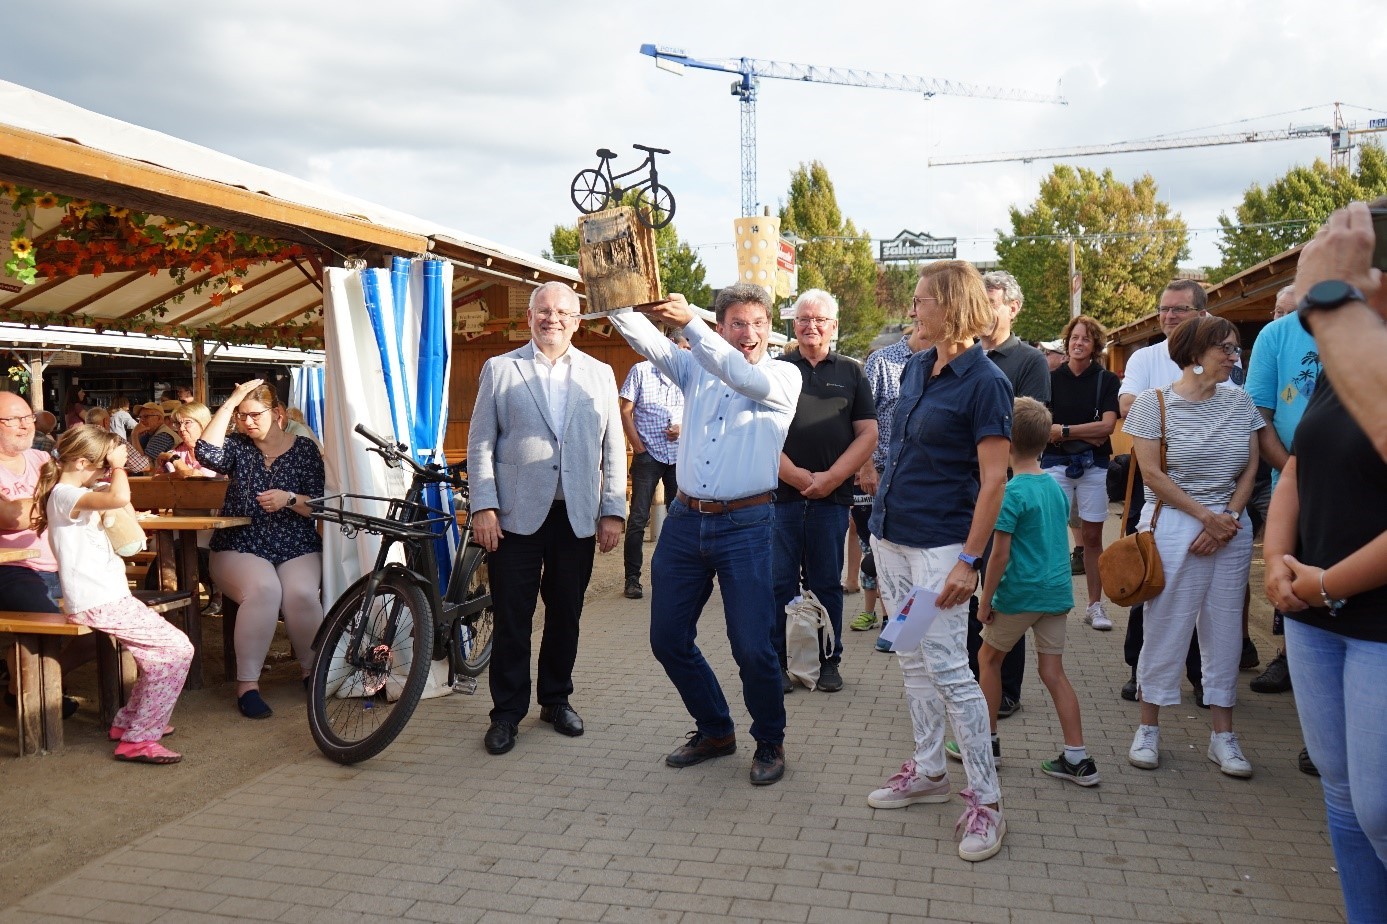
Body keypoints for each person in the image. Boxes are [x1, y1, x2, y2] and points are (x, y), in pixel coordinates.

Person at [610, 283, 801, 786]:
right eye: (738, 323)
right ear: (722, 326)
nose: (750, 333)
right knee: (667, 638)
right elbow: (649, 342)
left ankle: (770, 740)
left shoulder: (783, 375)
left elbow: (739, 375)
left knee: (752, 646)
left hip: (749, 525)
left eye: (759, 323)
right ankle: (716, 729)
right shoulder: (694, 366)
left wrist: (689, 322)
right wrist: (616, 294)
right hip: (685, 521)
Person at [1263, 197, 1387, 920]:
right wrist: (1277, 559)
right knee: (1341, 795)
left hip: (1368, 617)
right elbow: (1297, 468)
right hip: (1312, 610)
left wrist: (1323, 583)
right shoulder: (1340, 368)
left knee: (1377, 807)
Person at [865, 260, 1011, 863]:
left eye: (923, 299)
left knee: (950, 667)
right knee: (911, 656)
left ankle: (986, 801)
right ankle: (928, 773)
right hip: (892, 538)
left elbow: (995, 480)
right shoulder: (920, 367)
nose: (914, 308)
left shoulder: (986, 382)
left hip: (941, 548)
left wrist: (969, 561)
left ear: (950, 307)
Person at [468, 281, 626, 756]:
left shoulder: (599, 373)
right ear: (529, 317)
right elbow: (481, 442)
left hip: (576, 516)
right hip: (514, 517)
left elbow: (613, 444)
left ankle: (555, 700)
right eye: (542, 310)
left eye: (561, 311)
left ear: (578, 321)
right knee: (513, 618)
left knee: (566, 615)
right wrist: (483, 505)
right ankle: (506, 714)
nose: (551, 318)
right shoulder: (500, 369)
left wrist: (613, 509)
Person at [1124, 316, 1263, 778]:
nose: (1233, 356)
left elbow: (1250, 468)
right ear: (1195, 353)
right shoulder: (1153, 404)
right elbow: (1152, 476)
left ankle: (1223, 736)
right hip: (1174, 526)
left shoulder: (1241, 401)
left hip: (1231, 526)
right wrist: (1206, 517)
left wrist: (1229, 519)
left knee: (1225, 632)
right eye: (1224, 348)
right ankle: (1148, 728)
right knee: (1165, 626)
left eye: (1235, 348)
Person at [33, 425, 193, 764]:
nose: (107, 471)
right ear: (79, 462)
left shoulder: (72, 492)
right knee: (178, 649)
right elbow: (120, 497)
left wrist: (109, 472)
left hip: (105, 597)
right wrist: (119, 467)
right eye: (102, 464)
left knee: (157, 656)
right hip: (98, 600)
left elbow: (114, 502)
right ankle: (139, 739)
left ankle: (132, 723)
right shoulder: (64, 494)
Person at [975, 397, 1095, 786]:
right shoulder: (1055, 489)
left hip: (1020, 594)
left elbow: (999, 555)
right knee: (1053, 671)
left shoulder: (1010, 493)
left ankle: (986, 742)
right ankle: (1077, 757)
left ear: (1005, 443)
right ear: (1046, 441)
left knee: (988, 659)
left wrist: (986, 599)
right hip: (1057, 592)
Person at [195, 379, 325, 719]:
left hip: (295, 541)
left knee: (300, 593)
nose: (246, 422)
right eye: (241, 416)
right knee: (264, 590)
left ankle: (314, 673)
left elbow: (319, 506)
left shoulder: (305, 449)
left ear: (278, 414)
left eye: (254, 414)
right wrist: (232, 398)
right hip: (240, 542)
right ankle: (247, 686)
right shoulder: (238, 446)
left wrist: (290, 499)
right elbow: (204, 451)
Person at [772, 289, 877, 694]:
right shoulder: (777, 370)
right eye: (803, 319)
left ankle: (829, 660)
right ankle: (780, 661)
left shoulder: (852, 372)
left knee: (826, 584)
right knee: (779, 582)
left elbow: (867, 432)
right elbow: (762, 433)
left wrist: (833, 477)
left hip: (832, 499)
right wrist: (797, 476)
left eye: (819, 320)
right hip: (781, 497)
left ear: (834, 326)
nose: (810, 326)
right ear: (793, 324)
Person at [1116, 279, 1212, 704]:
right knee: (1148, 574)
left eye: (1180, 309)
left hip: (1208, 488)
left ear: (1202, 314)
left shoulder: (1220, 355)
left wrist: (1165, 418)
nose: (1169, 316)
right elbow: (1127, 407)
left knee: (1202, 588)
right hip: (1152, 485)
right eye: (1165, 309)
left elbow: (1230, 411)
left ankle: (1201, 675)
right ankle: (1140, 670)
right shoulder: (1145, 356)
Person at [972, 270, 1050, 720]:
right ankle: (978, 678)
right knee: (969, 588)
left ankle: (1007, 687)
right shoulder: (965, 356)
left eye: (992, 301)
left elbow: (1028, 426)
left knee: (1003, 590)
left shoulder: (1029, 362)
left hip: (1006, 489)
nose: (983, 310)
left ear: (1013, 307)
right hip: (968, 489)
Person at [1246, 286, 1319, 715]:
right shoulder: (1277, 335)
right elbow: (1259, 415)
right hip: (1289, 479)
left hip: (1361, 486)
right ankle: (1293, 660)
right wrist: (1293, 471)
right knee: (1290, 574)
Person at [0, 391, 88, 717]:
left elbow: (79, 494)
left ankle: (40, 677)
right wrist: (55, 501)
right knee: (44, 621)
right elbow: (10, 519)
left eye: (28, 418)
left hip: (61, 563)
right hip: (13, 567)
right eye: (14, 420)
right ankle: (36, 687)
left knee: (110, 616)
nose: (25, 426)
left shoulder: (41, 460)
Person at [852, 323, 932, 641]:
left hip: (922, 476)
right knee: (877, 550)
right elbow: (862, 418)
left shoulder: (942, 362)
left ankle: (904, 622)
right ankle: (889, 620)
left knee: (914, 550)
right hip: (881, 474)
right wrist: (867, 466)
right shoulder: (883, 360)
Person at [1043, 314, 1120, 631]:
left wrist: (1066, 430)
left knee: (1092, 536)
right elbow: (1045, 429)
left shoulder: (1106, 380)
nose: (1078, 343)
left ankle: (1094, 606)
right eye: (1074, 337)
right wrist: (1084, 432)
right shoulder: (1049, 378)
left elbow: (1108, 427)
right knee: (1049, 532)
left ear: (1095, 345)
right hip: (1054, 463)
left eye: (1085, 339)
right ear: (1067, 342)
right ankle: (1049, 602)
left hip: (1094, 466)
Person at [618, 333, 687, 600]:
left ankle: (676, 576)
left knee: (679, 517)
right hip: (648, 454)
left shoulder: (686, 373)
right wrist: (638, 447)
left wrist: (682, 428)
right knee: (637, 518)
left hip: (677, 454)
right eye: (683, 347)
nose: (686, 352)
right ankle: (632, 579)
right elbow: (625, 409)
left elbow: (695, 408)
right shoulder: (641, 370)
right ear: (670, 344)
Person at [159, 402, 220, 478]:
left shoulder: (215, 450)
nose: (181, 428)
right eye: (178, 424)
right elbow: (156, 479)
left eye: (187, 422)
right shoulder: (177, 451)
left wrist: (174, 460)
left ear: (203, 424)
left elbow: (202, 482)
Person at [85, 408, 150, 475]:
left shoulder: (78, 438)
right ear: (106, 421)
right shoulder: (113, 440)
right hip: (104, 483)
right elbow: (143, 466)